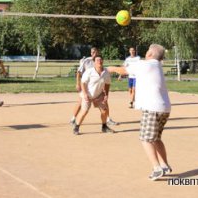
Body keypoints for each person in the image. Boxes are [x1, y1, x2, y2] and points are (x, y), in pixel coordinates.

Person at [108, 44, 172, 181]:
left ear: (150, 54)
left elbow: (123, 70)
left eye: (148, 51)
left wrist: (110, 69)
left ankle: (156, 168)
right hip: (164, 108)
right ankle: (164, 165)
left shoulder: (145, 65)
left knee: (145, 138)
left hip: (152, 108)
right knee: (156, 138)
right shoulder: (156, 66)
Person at [69, 47, 118, 126]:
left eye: (94, 52)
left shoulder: (99, 60)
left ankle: (107, 119)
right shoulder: (86, 61)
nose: (93, 53)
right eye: (92, 52)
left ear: (97, 52)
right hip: (87, 86)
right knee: (81, 102)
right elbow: (79, 72)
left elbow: (104, 75)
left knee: (104, 102)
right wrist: (77, 83)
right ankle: (73, 118)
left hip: (98, 85)